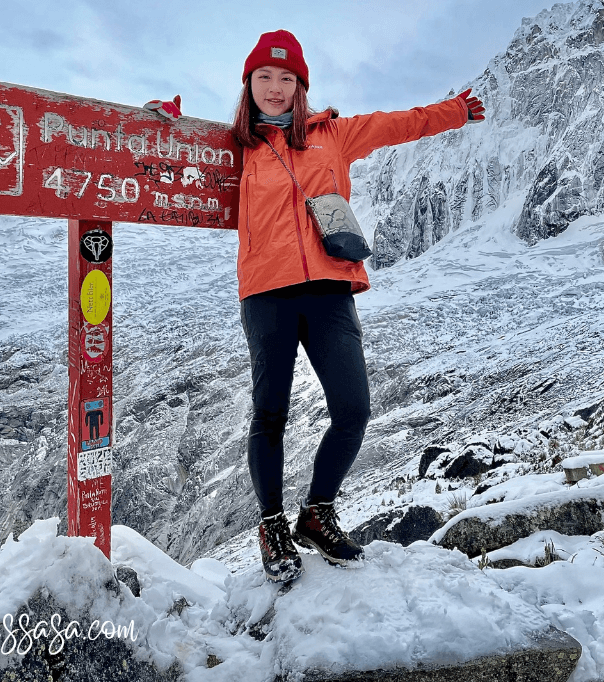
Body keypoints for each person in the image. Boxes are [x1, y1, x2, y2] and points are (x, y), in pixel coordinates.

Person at [151, 30, 484, 583]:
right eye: (264, 76)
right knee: (271, 415)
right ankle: (272, 526)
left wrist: (455, 111)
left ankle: (317, 513)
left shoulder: (334, 134)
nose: (275, 88)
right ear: (248, 84)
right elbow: (173, 151)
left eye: (287, 78)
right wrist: (157, 122)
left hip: (329, 288)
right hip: (266, 293)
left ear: (300, 85)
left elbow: (398, 124)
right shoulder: (233, 144)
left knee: (353, 409)